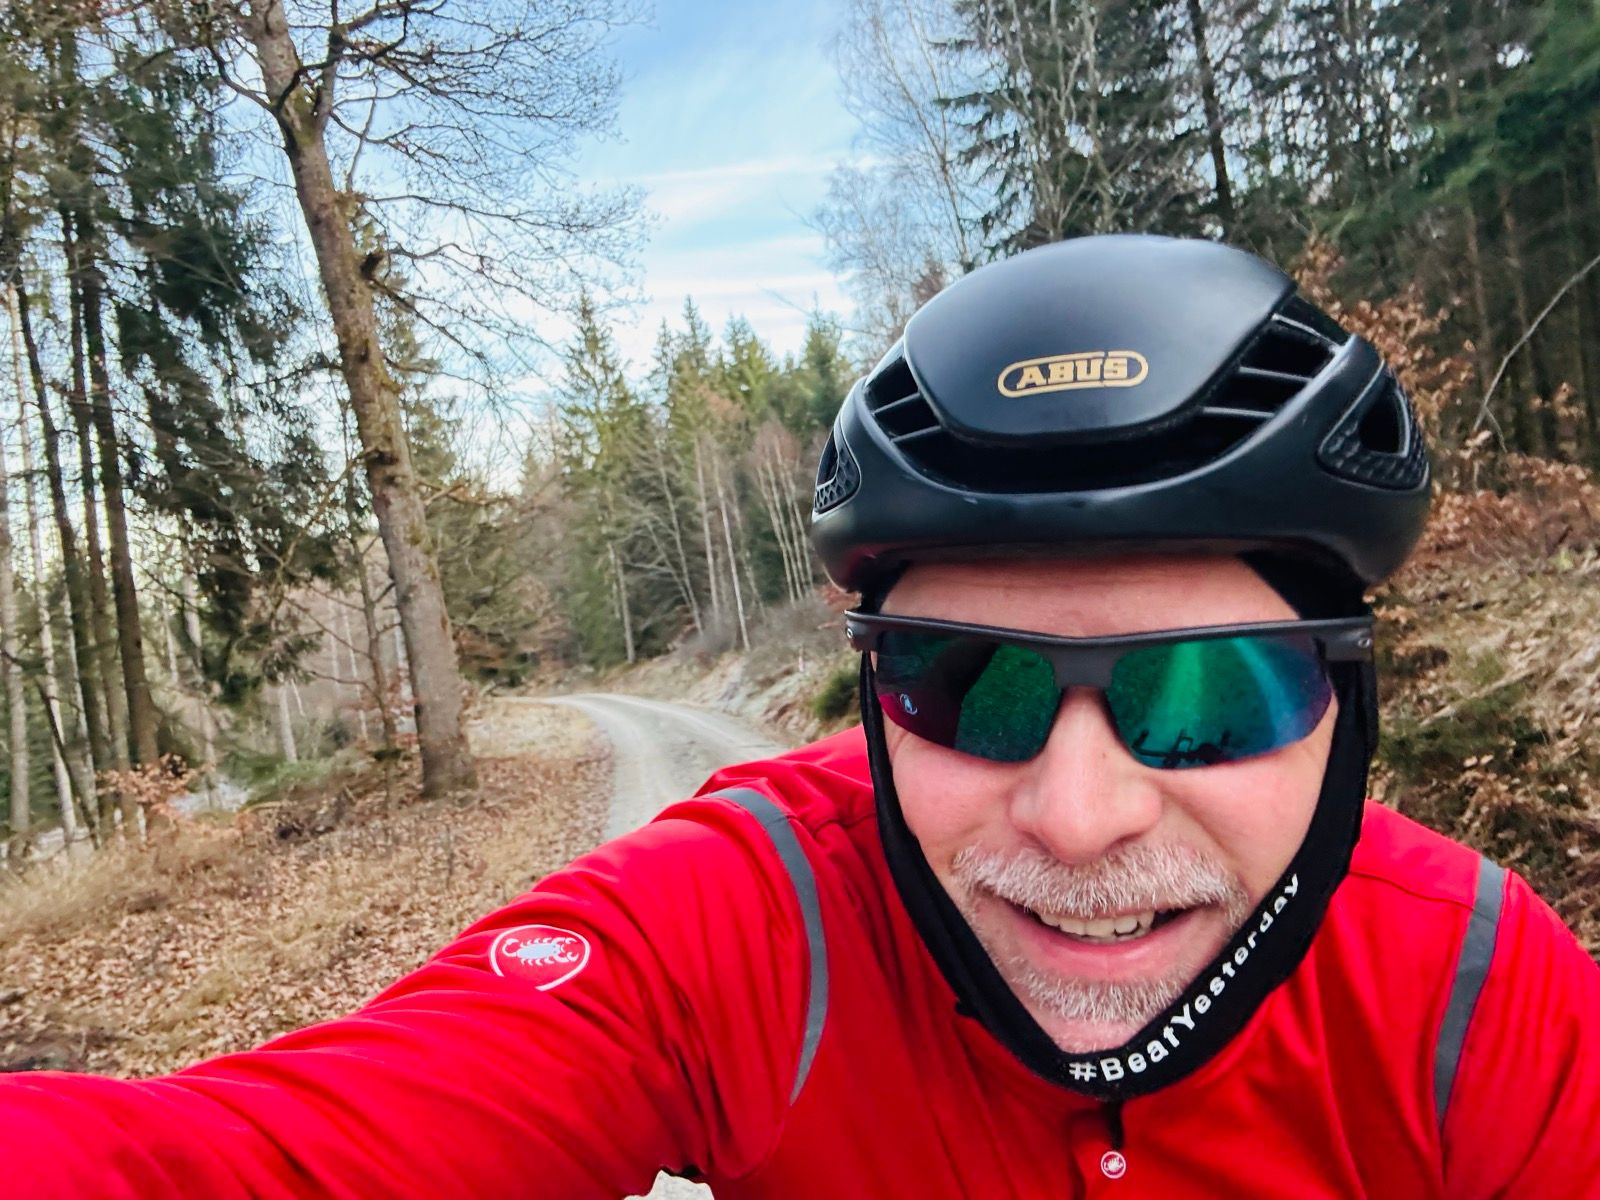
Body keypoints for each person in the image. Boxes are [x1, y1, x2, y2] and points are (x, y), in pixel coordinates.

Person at [3, 235, 1597, 1198]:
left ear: (1344, 712)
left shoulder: (1473, 992)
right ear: (873, 698)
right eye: (969, 683)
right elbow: (248, 1163)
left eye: (1206, 693)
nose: (1078, 814)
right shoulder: (753, 923)